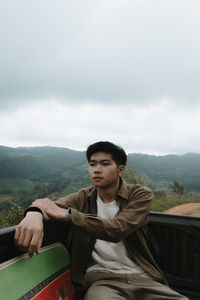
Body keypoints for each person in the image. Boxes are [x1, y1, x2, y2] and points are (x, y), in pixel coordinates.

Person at [15, 141, 188, 300]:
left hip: (142, 277)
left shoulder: (139, 194)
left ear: (120, 170)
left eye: (105, 164)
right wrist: (34, 213)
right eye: (92, 164)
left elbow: (118, 229)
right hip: (102, 279)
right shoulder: (83, 197)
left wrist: (69, 215)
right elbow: (50, 206)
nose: (96, 169)